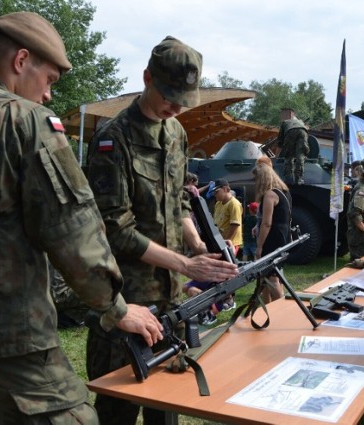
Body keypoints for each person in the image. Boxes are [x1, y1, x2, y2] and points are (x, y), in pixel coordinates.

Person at [0, 12, 164, 424]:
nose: (49, 96)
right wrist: (116, 308)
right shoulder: (22, 121)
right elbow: (73, 232)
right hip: (7, 338)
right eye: (50, 80)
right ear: (21, 61)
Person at [85, 36, 238, 425]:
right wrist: (187, 266)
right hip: (127, 304)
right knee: (118, 410)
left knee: (166, 406)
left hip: (171, 300)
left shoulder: (176, 134)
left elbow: (179, 202)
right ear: (146, 78)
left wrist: (199, 245)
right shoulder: (112, 138)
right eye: (168, 95)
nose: (174, 107)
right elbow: (115, 229)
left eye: (183, 99)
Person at [254, 163, 292, 303]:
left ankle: (280, 309)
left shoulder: (270, 195)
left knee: (273, 277)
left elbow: (267, 223)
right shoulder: (284, 192)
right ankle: (269, 307)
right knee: (266, 275)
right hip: (283, 235)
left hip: (273, 239)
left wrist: (259, 247)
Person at [212, 178, 243, 255]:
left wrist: (227, 240)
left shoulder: (234, 204)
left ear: (225, 189)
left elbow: (235, 224)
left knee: (228, 263)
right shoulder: (218, 204)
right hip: (221, 241)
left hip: (231, 243)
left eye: (216, 192)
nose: (214, 194)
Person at [277, 115, 309, 184]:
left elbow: (280, 138)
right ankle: (299, 179)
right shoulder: (300, 122)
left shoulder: (284, 122)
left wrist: (281, 147)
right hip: (303, 131)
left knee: (288, 157)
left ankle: (288, 178)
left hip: (290, 131)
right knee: (300, 156)